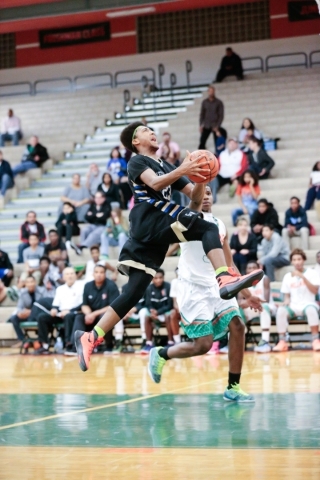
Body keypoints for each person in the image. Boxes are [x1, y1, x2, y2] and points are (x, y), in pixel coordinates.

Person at [74, 121, 263, 373]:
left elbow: (194, 203)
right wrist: (184, 168)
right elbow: (155, 184)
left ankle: (90, 336)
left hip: (157, 232)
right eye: (145, 131)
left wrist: (200, 178)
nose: (151, 132)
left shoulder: (167, 166)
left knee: (134, 291)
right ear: (135, 142)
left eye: (151, 129)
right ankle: (225, 278)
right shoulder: (137, 162)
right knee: (208, 228)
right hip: (149, 219)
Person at [147, 185, 263, 401]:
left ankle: (233, 387)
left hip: (216, 286)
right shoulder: (186, 218)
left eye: (209, 192)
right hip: (193, 288)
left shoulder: (220, 225)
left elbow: (230, 266)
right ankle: (162, 353)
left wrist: (248, 295)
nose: (206, 196)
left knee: (238, 326)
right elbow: (190, 207)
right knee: (203, 345)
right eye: (202, 192)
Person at [273, 249, 320, 352]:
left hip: (308, 303)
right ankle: (282, 342)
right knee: (281, 311)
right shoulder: (287, 276)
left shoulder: (312, 273)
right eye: (294, 260)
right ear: (292, 262)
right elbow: (286, 296)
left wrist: (303, 277)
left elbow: (315, 291)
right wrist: (286, 301)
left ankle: (315, 340)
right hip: (293, 305)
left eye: (299, 259)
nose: (297, 262)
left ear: (304, 260)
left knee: (311, 310)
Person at [66, 265, 120, 355]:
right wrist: (88, 314)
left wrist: (93, 314)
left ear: (105, 274)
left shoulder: (111, 285)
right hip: (91, 314)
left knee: (105, 317)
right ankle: (76, 347)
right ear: (93, 274)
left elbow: (112, 306)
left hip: (105, 313)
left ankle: (109, 345)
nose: (99, 274)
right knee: (79, 317)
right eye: (96, 272)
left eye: (101, 272)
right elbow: (84, 305)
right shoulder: (88, 286)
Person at [36, 267, 84, 355]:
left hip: (75, 313)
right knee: (42, 317)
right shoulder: (60, 289)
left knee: (68, 316)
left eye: (72, 274)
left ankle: (68, 343)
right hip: (60, 313)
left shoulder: (81, 286)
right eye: (67, 274)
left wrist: (69, 310)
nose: (70, 276)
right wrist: (54, 309)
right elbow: (55, 304)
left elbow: (83, 304)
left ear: (76, 275)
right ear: (63, 277)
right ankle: (44, 345)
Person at [238, 261, 276, 353]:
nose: (251, 270)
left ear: (259, 269)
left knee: (264, 307)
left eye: (254, 267)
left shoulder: (265, 279)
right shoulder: (242, 281)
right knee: (237, 311)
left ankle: (265, 342)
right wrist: (246, 303)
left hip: (267, 307)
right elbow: (239, 301)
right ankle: (236, 343)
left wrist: (248, 302)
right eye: (249, 268)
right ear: (246, 270)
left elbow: (265, 299)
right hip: (251, 309)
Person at [141, 269, 173, 353]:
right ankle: (148, 343)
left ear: (163, 277)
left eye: (160, 277)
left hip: (164, 312)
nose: (158, 280)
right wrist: (152, 311)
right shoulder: (148, 288)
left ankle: (170, 342)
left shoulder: (168, 286)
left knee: (168, 315)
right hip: (154, 313)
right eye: (156, 278)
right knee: (146, 316)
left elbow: (170, 305)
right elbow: (148, 304)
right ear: (152, 279)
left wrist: (158, 312)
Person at [9, 276, 45, 346]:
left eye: (32, 282)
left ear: (35, 282)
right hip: (28, 315)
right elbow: (19, 307)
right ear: (25, 284)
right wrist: (21, 313)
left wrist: (31, 312)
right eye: (28, 282)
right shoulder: (23, 293)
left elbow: (44, 306)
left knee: (42, 316)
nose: (30, 284)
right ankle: (23, 340)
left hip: (39, 315)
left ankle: (41, 341)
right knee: (13, 318)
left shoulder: (42, 291)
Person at [199, 85, 224, 150]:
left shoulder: (219, 102)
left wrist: (217, 125)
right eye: (209, 91)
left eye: (212, 91)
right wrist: (201, 124)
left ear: (214, 92)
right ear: (208, 92)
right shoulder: (204, 102)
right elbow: (202, 114)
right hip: (206, 124)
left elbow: (221, 115)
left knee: (217, 142)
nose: (211, 92)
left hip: (215, 125)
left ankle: (217, 156)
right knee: (202, 141)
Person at [169, 267, 181, 345]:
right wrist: (178, 308)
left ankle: (193, 338)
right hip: (179, 309)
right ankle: (177, 340)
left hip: (190, 309)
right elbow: (174, 301)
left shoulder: (191, 281)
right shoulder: (174, 282)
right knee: (172, 314)